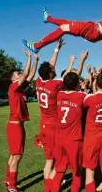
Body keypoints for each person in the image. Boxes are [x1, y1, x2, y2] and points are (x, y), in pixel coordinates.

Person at [5, 49, 39, 192]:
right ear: (13, 78)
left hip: (17, 125)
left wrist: (36, 60)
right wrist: (29, 58)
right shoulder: (13, 86)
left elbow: (30, 76)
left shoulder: (19, 88)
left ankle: (8, 180)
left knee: (14, 154)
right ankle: (12, 186)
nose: (20, 75)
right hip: (15, 126)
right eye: (17, 74)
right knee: (17, 156)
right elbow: (25, 74)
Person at [35, 39, 65, 192]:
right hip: (54, 126)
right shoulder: (55, 84)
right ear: (50, 73)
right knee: (59, 161)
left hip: (43, 125)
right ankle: (52, 189)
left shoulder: (38, 83)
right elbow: (73, 78)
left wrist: (56, 49)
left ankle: (48, 189)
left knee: (48, 161)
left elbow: (48, 67)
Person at [51, 72, 87, 192]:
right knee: (77, 171)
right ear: (77, 84)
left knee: (60, 168)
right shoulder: (81, 96)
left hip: (60, 138)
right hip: (74, 139)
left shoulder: (59, 95)